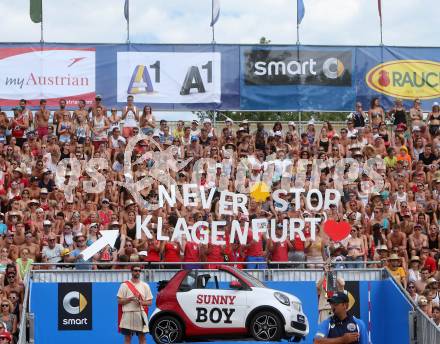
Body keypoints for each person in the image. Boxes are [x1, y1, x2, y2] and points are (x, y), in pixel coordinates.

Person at [117, 265, 153, 344]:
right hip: (127, 313)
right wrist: (130, 299)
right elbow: (119, 301)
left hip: (140, 313)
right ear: (131, 271)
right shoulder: (124, 285)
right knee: (127, 338)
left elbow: (150, 302)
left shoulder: (145, 285)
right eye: (136, 270)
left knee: (142, 338)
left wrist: (141, 302)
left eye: (139, 271)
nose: (137, 272)